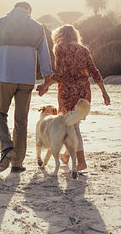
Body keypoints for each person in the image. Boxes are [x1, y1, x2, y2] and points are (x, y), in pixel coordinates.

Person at [0, 2, 52, 173]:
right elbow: (45, 56)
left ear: (13, 8)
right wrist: (46, 82)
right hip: (27, 79)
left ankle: (6, 148)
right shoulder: (37, 27)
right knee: (21, 121)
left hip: (5, 76)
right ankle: (17, 164)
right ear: (28, 10)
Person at [36, 24, 110, 171]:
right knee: (72, 124)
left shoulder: (60, 48)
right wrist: (104, 92)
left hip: (68, 92)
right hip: (83, 91)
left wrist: (45, 86)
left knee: (72, 126)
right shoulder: (83, 50)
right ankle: (66, 155)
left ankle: (81, 162)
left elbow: (60, 72)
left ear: (59, 36)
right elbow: (94, 72)